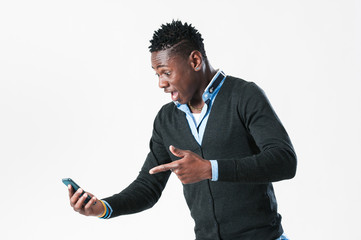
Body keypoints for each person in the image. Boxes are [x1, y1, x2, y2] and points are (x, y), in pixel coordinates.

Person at [67, 20, 297, 240]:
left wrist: (210, 169)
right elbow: (148, 185)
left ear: (195, 61)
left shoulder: (244, 95)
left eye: (166, 72)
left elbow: (284, 160)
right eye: (157, 74)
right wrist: (104, 208)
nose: (161, 83)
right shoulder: (167, 119)